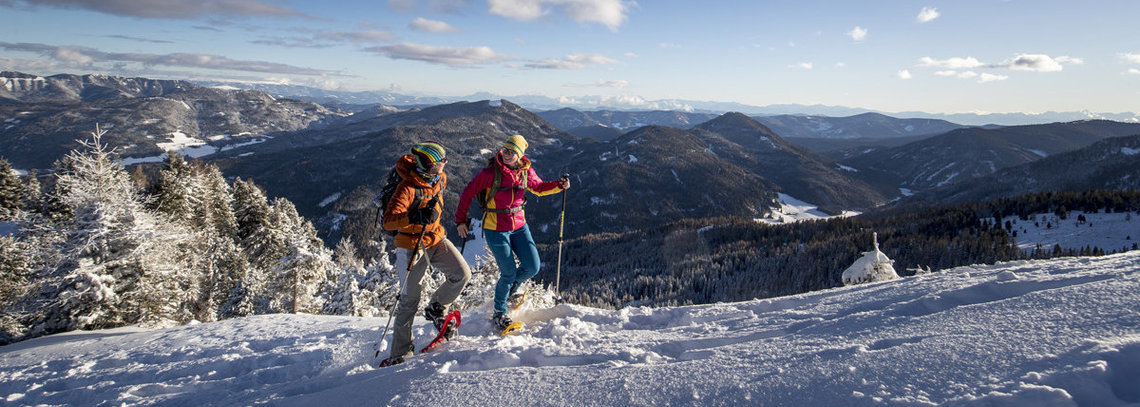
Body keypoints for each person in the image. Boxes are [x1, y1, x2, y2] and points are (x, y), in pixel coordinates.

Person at [455, 134, 570, 331]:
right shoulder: (490, 173)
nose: (507, 154)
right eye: (505, 150)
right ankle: (499, 312)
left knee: (532, 266)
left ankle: (509, 292)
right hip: (495, 228)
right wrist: (460, 220)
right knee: (507, 272)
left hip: (519, 225)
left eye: (512, 152)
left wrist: (558, 186)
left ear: (520, 154)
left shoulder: (525, 171)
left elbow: (539, 188)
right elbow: (468, 192)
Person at [381, 141, 471, 365]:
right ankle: (400, 353)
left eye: (444, 162)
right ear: (427, 165)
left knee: (462, 274)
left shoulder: (440, 178)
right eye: (440, 163)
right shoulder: (407, 188)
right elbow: (388, 221)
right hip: (410, 245)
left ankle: (436, 307)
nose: (444, 166)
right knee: (409, 300)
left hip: (435, 238)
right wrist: (414, 218)